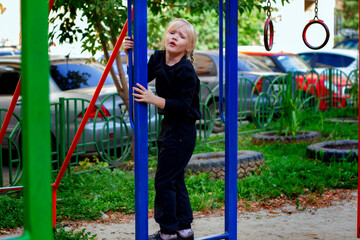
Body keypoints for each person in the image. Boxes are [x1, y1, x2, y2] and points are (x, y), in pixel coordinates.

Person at [124, 18, 201, 240]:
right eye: (172, 33)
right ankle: (184, 230)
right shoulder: (158, 58)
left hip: (183, 131)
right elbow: (139, 79)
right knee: (174, 178)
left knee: (164, 180)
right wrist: (129, 54)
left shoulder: (185, 70)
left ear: (189, 47)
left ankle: (167, 231)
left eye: (181, 36)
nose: (174, 37)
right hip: (169, 127)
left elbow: (184, 106)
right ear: (166, 36)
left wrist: (154, 99)